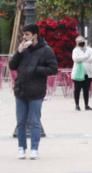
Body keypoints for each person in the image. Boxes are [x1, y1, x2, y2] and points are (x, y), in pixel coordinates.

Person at [10, 24, 58, 160]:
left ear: (35, 35)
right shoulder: (22, 49)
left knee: (34, 121)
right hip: (21, 90)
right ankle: (21, 148)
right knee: (21, 121)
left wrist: (36, 69)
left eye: (27, 34)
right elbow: (12, 66)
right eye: (23, 34)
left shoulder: (46, 50)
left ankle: (34, 148)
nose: (24, 37)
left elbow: (53, 68)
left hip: (36, 91)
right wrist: (18, 52)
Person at [71, 36, 92, 111]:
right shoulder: (75, 50)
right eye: (78, 41)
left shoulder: (90, 49)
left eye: (82, 40)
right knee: (77, 90)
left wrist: (82, 58)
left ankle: (86, 105)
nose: (81, 42)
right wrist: (86, 57)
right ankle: (77, 105)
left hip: (88, 73)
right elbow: (76, 59)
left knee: (86, 90)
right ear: (76, 43)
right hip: (78, 74)